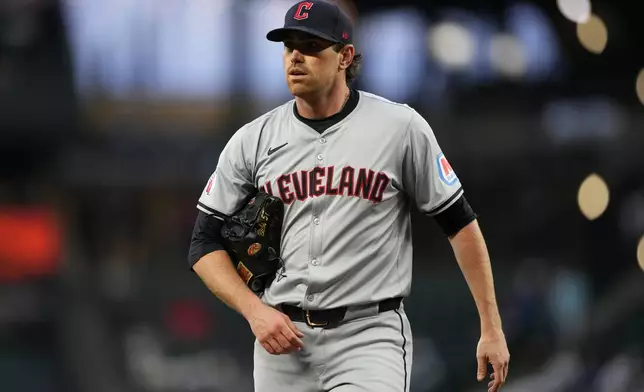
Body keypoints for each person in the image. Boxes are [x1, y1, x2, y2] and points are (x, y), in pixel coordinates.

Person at [188, 1, 510, 391]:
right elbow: (203, 243)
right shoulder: (253, 140)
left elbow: (460, 224)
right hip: (282, 340)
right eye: (289, 46)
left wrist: (490, 326)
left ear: (345, 57)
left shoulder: (399, 127)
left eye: (310, 46)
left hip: (368, 336)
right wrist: (254, 310)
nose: (296, 57)